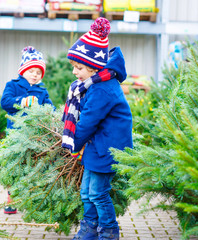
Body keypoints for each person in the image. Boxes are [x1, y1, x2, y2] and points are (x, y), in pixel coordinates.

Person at [62, 17, 133, 240]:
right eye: (74, 67)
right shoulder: (94, 84)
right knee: (86, 193)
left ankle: (109, 232)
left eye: (79, 68)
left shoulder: (103, 89)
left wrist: (73, 143)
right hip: (97, 146)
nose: (75, 72)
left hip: (107, 148)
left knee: (98, 193)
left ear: (94, 67)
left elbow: (88, 121)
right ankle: (89, 229)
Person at [0, 46, 54, 214]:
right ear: (23, 70)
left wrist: (52, 114)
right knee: (15, 166)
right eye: (31, 71)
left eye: (38, 72)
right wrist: (22, 101)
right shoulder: (13, 85)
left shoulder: (42, 91)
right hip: (16, 135)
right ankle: (12, 197)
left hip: (34, 136)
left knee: (32, 166)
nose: (35, 75)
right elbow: (5, 102)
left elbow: (49, 107)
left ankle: (31, 198)